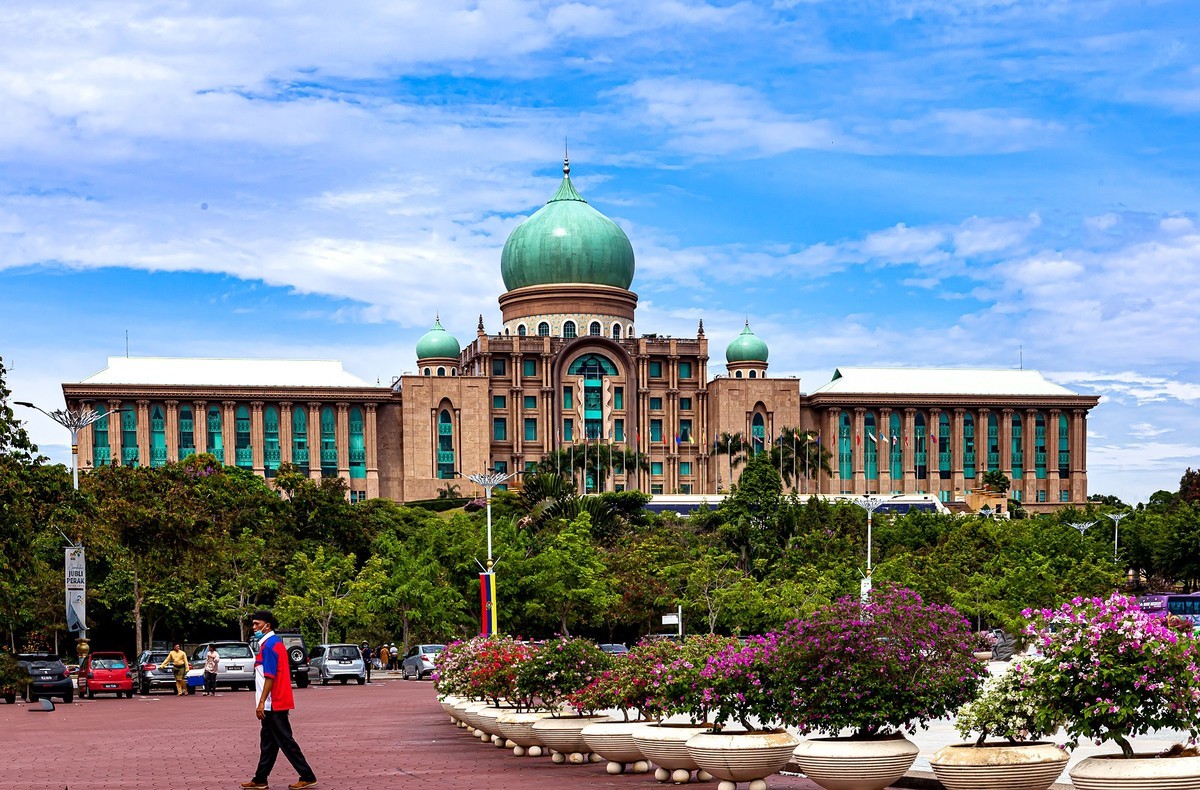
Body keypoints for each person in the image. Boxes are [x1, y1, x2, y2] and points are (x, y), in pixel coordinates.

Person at [241, 610, 317, 790]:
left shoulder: (270, 646)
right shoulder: (273, 644)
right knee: (268, 743)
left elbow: (270, 676)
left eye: (257, 624)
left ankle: (307, 775)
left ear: (267, 625)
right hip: (273, 702)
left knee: (285, 741)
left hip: (273, 702)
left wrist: (260, 703)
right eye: (253, 624)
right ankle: (260, 779)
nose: (254, 628)